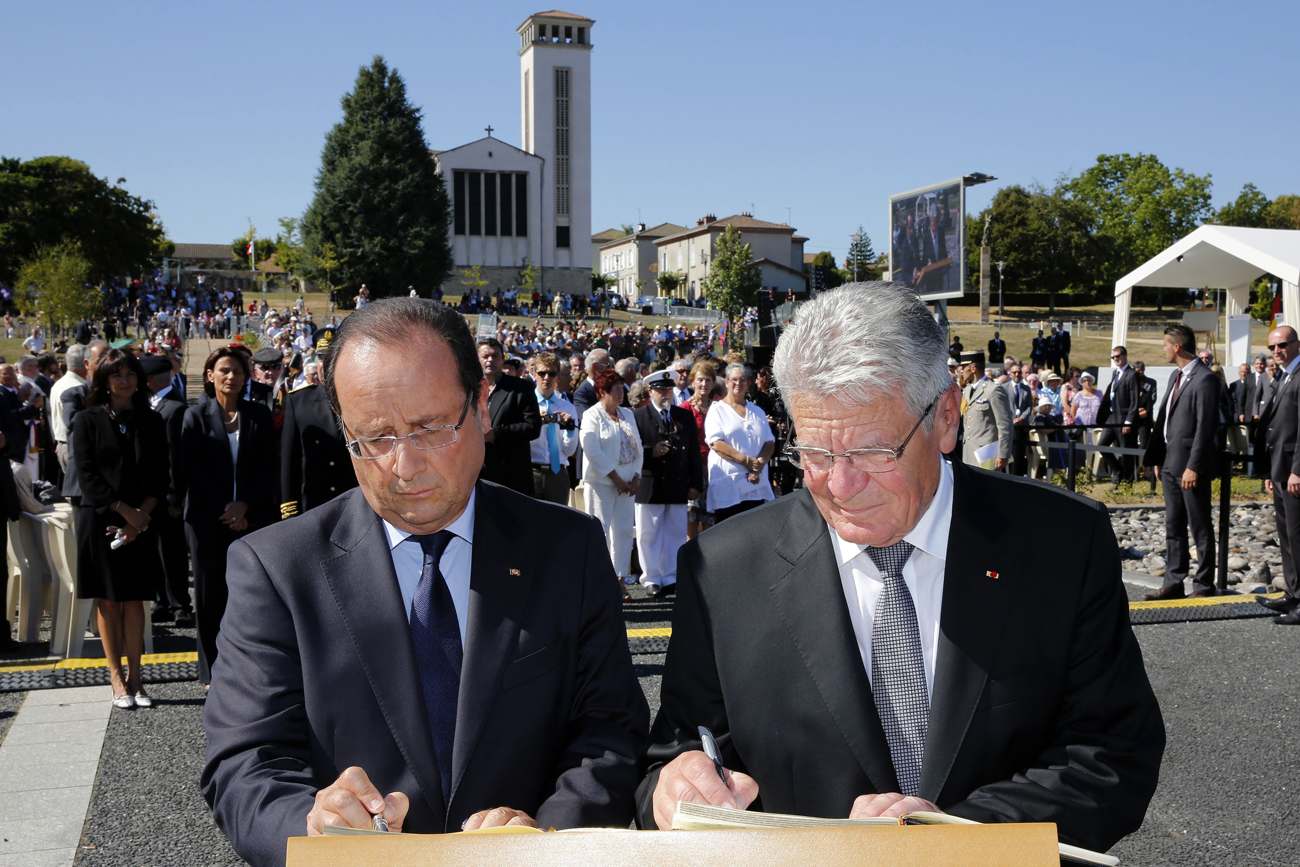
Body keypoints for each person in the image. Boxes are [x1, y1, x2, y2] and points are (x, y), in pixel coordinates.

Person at [637, 283, 1165, 853]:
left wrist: (951, 840)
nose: (841, 486)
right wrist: (671, 789)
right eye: (815, 453)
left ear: (944, 419)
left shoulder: (1061, 542)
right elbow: (671, 762)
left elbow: (1111, 752)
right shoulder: (721, 570)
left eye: (873, 452)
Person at [201, 300, 648, 864]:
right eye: (375, 438)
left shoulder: (569, 550)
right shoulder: (274, 569)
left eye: (431, 429)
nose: (404, 466)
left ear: (481, 407)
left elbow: (610, 730)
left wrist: (544, 838)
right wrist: (314, 830)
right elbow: (245, 763)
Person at [70, 349, 168, 708]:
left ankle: (137, 678)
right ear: (104, 381)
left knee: (134, 600)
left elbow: (161, 476)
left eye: (130, 374)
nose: (124, 381)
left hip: (141, 518)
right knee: (109, 600)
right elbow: (88, 476)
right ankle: (116, 678)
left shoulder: (151, 420)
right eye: (117, 375)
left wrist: (140, 517)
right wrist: (125, 512)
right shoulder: (87, 419)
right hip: (101, 518)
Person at [182, 347, 278, 687]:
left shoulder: (259, 415)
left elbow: (269, 467)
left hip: (251, 518)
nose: (231, 377)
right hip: (208, 519)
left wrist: (244, 506)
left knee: (250, 595)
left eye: (237, 371)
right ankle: (212, 671)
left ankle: (249, 667)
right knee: (209, 597)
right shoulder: (195, 416)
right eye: (224, 370)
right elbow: (192, 470)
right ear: (210, 375)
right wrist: (226, 508)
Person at [1143, 326, 1222, 600]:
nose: (1162, 349)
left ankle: (1203, 585)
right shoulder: (1175, 377)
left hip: (1190, 467)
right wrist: (1160, 458)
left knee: (1200, 525)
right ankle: (1174, 581)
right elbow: (1167, 422)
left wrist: (1194, 465)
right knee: (1173, 526)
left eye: (1165, 344)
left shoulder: (1205, 379)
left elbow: (1205, 427)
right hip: (1169, 463)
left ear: (1177, 347)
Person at [632, 370, 702, 597]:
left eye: (668, 389)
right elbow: (631, 451)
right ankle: (651, 578)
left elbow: (693, 452)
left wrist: (695, 483)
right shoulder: (639, 416)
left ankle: (670, 576)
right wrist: (651, 452)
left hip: (677, 483)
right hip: (651, 484)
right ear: (650, 391)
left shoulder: (683, 417)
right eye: (660, 390)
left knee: (675, 532)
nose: (665, 394)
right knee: (648, 534)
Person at [141, 355, 193, 626]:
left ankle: (179, 603)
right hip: (151, 493)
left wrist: (175, 496)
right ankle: (161, 600)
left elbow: (176, 456)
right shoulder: (151, 404)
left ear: (148, 380)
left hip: (167, 494)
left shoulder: (174, 407)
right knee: (155, 549)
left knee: (172, 551)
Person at [579, 369, 643, 591]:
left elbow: (638, 449)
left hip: (627, 484)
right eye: (615, 390)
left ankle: (619, 580)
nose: (620, 394)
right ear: (601, 392)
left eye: (621, 389)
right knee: (601, 531)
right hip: (602, 484)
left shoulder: (628, 414)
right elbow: (592, 450)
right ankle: (599, 581)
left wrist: (635, 476)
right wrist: (615, 478)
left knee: (624, 531)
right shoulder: (591, 415)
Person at [1255, 326, 1300, 624]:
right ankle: (1294, 593)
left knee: (1298, 535)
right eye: (1272, 347)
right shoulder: (1282, 376)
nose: (1276, 351)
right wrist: (1272, 471)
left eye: (1282, 345)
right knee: (1286, 535)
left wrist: (1298, 470)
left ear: (1296, 344)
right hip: (1280, 468)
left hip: (1295, 471)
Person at [705, 362, 775, 522]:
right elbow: (716, 444)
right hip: (728, 485)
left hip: (755, 483)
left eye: (742, 379)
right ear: (727, 382)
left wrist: (758, 466)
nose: (738, 383)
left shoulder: (757, 411)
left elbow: (769, 442)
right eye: (734, 379)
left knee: (755, 532)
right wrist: (747, 462)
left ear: (748, 382)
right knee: (728, 535)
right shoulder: (717, 410)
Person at [476, 338, 542, 495]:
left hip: (511, 475)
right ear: (477, 359)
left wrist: (496, 434)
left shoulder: (521, 388)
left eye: (495, 356)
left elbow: (533, 427)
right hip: (476, 473)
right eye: (485, 356)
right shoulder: (468, 388)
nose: (490, 360)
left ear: (502, 358)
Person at [529, 351, 578, 505]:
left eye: (552, 374)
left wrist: (569, 430)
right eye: (542, 373)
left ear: (558, 376)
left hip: (558, 473)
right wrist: (535, 423)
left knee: (558, 523)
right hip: (532, 470)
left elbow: (570, 451)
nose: (546, 378)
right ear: (534, 374)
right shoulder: (527, 404)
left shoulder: (567, 407)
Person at [1097, 346, 1141, 481]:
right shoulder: (1115, 373)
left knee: (1125, 450)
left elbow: (1135, 400)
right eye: (1113, 357)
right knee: (1102, 445)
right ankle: (1117, 471)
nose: (1115, 359)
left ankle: (1127, 481)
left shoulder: (1132, 374)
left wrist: (1129, 421)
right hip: (1112, 417)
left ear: (1125, 356)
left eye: (1118, 356)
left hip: (1124, 417)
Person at [960, 358, 1012, 471]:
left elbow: (1004, 424)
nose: (961, 370)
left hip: (987, 454)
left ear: (973, 368)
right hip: (969, 451)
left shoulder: (993, 390)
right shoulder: (968, 390)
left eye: (964, 367)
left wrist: (1003, 454)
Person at [685, 361, 718, 539]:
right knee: (691, 523)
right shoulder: (685, 408)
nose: (704, 384)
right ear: (693, 382)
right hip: (693, 472)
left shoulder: (719, 408)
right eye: (700, 380)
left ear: (713, 383)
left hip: (715, 471)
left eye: (707, 380)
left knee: (709, 524)